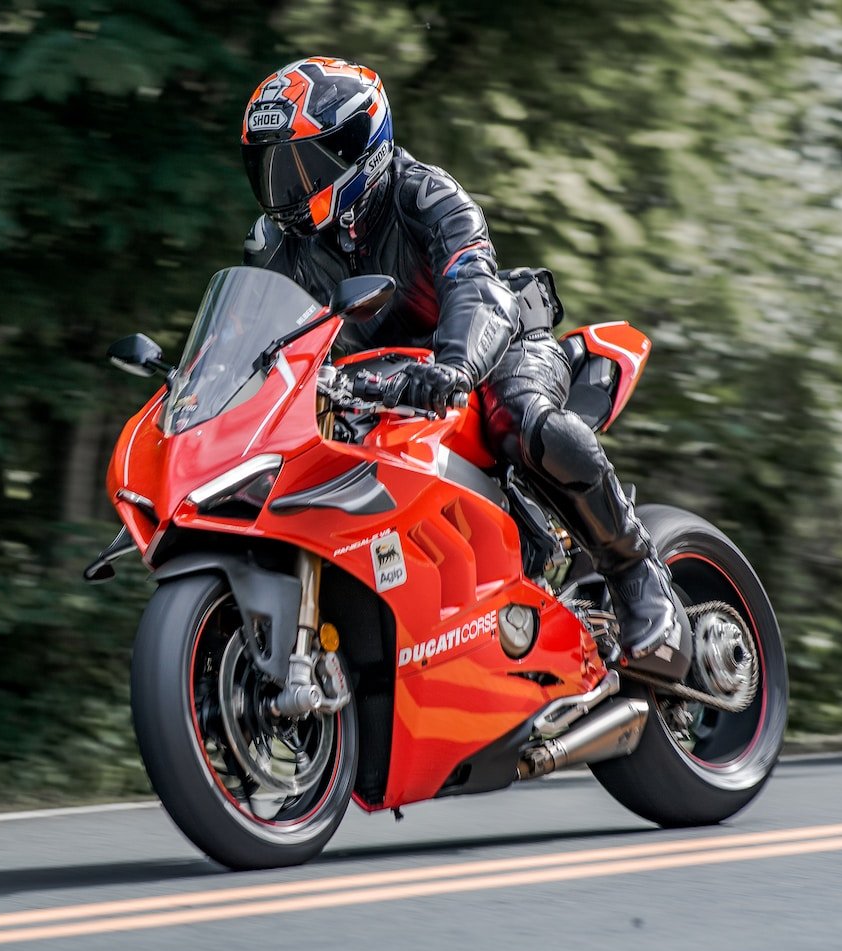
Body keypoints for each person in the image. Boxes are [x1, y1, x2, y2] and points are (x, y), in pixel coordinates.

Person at [239, 56, 678, 659]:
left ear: (358, 145)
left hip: (491, 349)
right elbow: (254, 339)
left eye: (303, 163)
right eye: (272, 169)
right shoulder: (282, 250)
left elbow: (474, 282)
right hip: (377, 390)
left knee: (526, 421)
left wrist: (455, 365)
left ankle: (636, 572)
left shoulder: (424, 193)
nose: (286, 188)